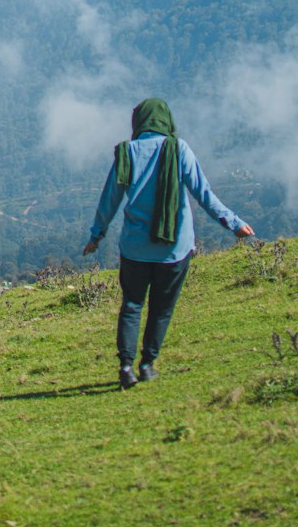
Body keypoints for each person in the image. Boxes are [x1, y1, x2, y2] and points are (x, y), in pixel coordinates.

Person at [83, 97, 254, 389]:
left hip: (135, 248)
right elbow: (204, 194)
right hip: (174, 249)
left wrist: (96, 235)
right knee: (162, 308)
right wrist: (234, 224)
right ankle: (147, 364)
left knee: (132, 305)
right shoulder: (178, 149)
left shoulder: (127, 153)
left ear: (138, 123)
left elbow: (109, 200)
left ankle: (125, 367)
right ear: (166, 122)